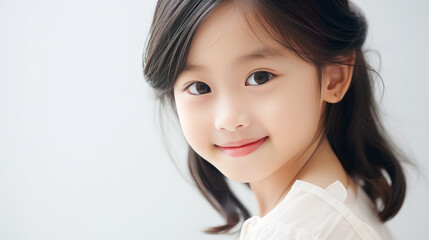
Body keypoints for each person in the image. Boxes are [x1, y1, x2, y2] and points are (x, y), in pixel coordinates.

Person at [143, 0, 408, 239]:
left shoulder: (296, 232)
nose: (229, 119)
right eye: (199, 87)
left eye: (260, 77)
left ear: (334, 76)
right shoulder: (342, 200)